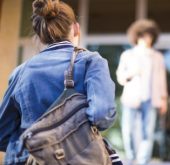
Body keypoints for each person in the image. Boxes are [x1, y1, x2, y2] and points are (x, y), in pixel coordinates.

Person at [0, 0, 116, 164]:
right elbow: (102, 115)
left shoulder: (20, 71)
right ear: (76, 28)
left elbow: (2, 133)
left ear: (39, 34)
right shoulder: (91, 62)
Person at [116, 19, 167, 165]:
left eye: (149, 36)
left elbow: (161, 80)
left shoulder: (157, 57)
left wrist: (164, 99)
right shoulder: (128, 55)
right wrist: (131, 73)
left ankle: (143, 161)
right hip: (131, 98)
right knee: (127, 131)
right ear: (136, 37)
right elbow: (120, 77)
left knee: (147, 133)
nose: (147, 39)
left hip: (151, 99)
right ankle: (131, 158)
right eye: (143, 36)